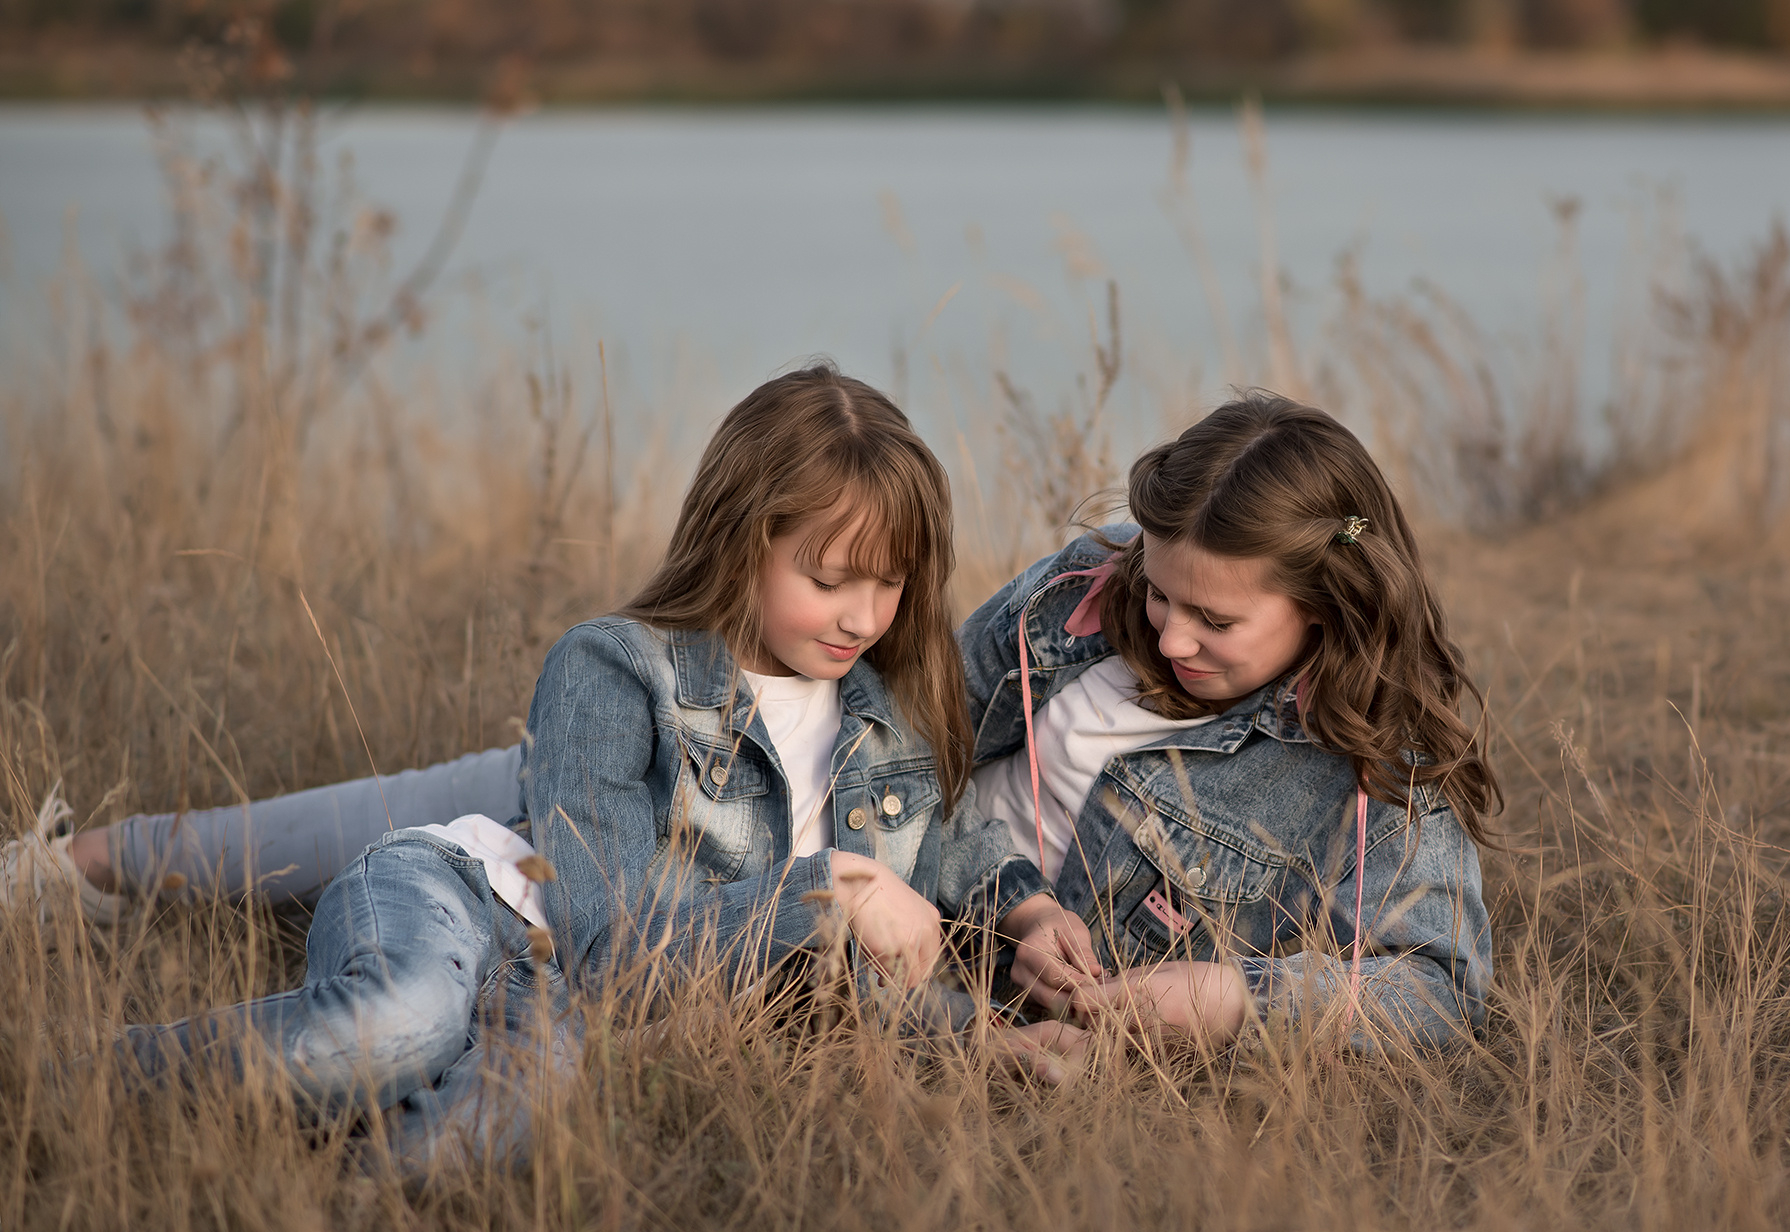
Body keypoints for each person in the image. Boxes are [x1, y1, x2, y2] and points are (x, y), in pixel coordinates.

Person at [85, 365, 1056, 1167]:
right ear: (739, 540)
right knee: (398, 1026)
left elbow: (914, 928)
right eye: (828, 578)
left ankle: (276, 1211)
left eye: (888, 583)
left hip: (567, 1009)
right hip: (478, 901)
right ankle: (69, 1083)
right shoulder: (615, 666)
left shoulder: (892, 733)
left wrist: (994, 1024)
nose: (860, 616)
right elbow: (609, 947)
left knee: (459, 1157)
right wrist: (824, 888)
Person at [969, 391, 1497, 1057]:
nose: (1171, 642)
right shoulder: (1082, 590)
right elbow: (911, 745)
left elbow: (1437, 991)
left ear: (1329, 603)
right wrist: (1017, 900)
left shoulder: (1376, 763)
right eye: (1159, 594)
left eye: (1215, 622)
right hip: (902, 941)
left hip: (1044, 1040)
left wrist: (1231, 1001)